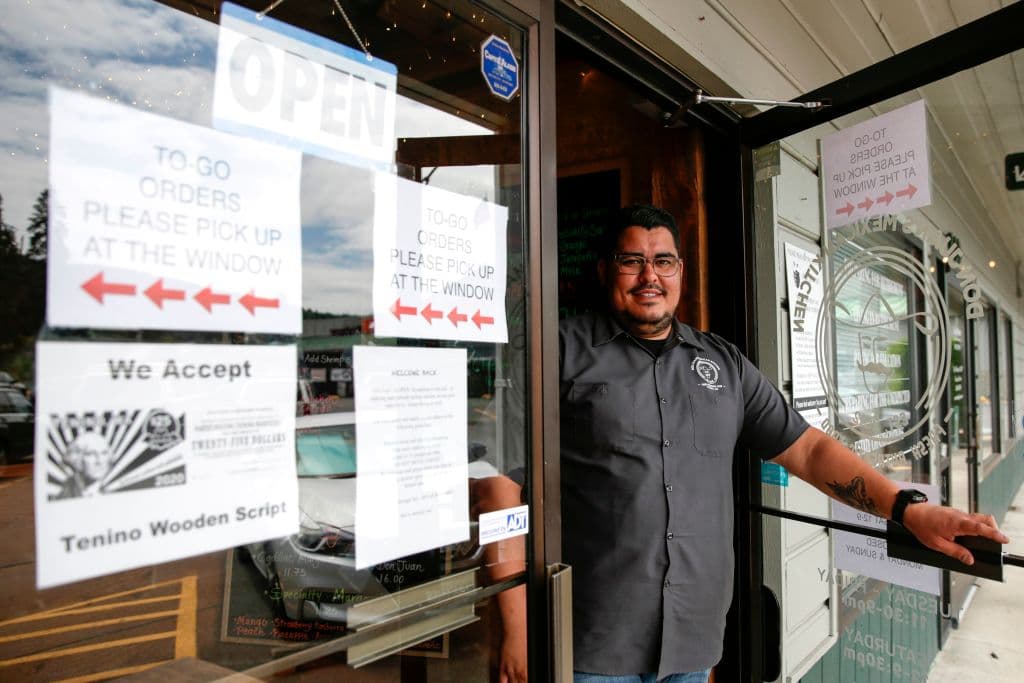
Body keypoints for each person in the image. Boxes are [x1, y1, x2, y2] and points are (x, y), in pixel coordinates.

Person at [558, 204, 1009, 683]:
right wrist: (516, 621)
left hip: (692, 639)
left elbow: (809, 450)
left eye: (663, 261)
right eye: (632, 260)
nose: (650, 275)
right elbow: (508, 480)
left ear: (680, 272)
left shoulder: (723, 363)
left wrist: (907, 509)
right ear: (607, 269)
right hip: (595, 640)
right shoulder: (562, 351)